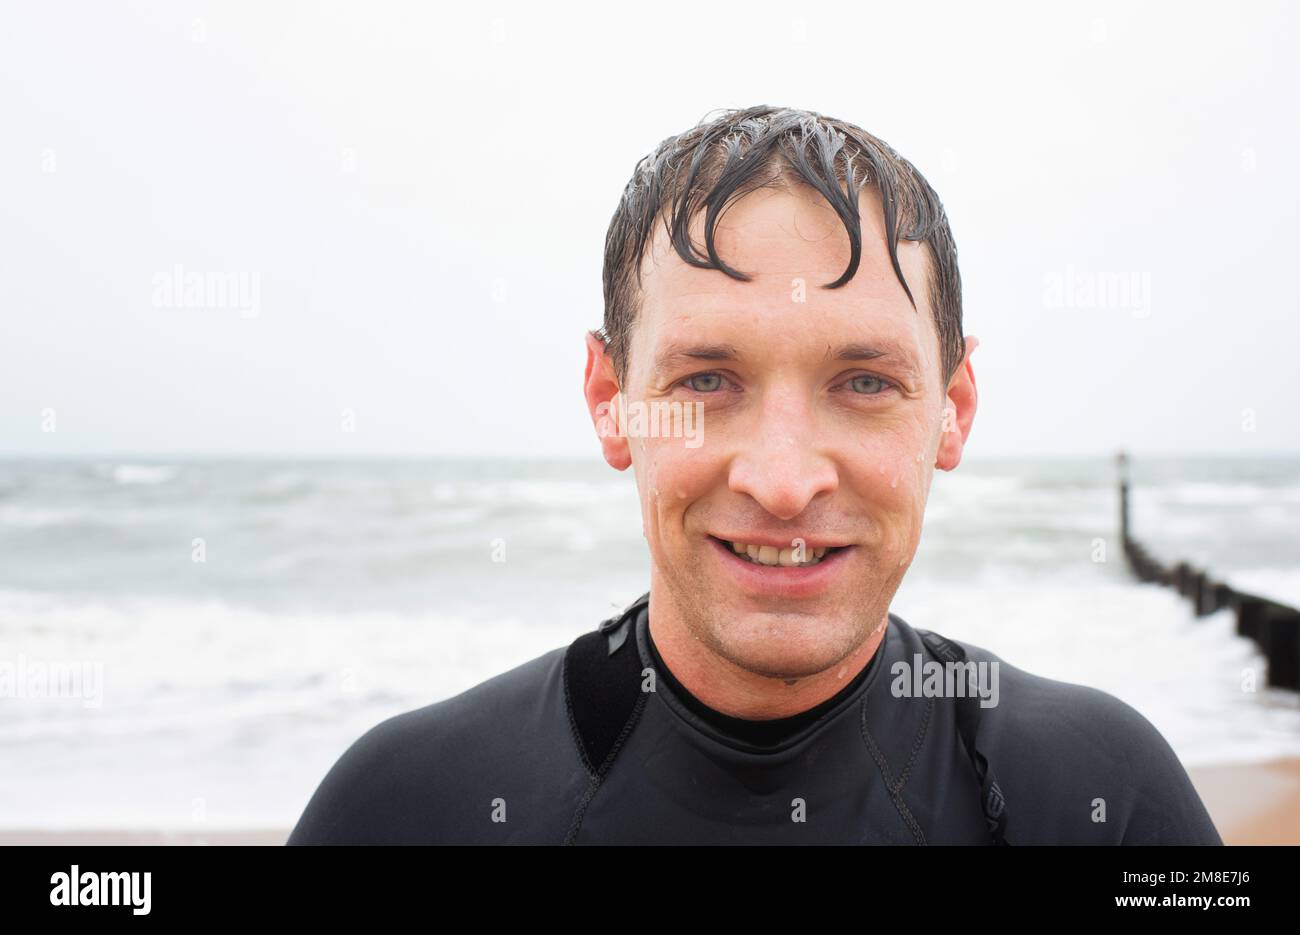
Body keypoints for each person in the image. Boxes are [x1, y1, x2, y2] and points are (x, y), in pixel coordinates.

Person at [287, 105, 1222, 845]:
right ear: (611, 400)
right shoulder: (409, 807)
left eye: (864, 382)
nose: (783, 482)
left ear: (953, 408)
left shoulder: (1101, 797)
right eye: (707, 380)